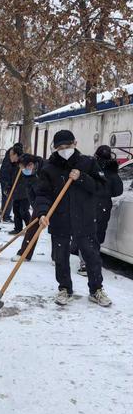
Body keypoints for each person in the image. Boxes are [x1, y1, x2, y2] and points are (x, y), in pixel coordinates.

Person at [36, 130, 111, 307]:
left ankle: (96, 290)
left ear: (75, 143)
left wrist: (82, 178)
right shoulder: (49, 168)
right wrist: (42, 213)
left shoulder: (88, 163)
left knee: (91, 256)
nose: (64, 150)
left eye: (67, 146)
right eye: (59, 147)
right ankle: (64, 288)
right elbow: (42, 194)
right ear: (54, 148)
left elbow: (102, 188)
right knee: (61, 257)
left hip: (84, 219)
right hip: (60, 220)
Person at [74, 145, 124, 276]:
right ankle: (92, 262)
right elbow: (118, 191)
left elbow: (80, 184)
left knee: (85, 234)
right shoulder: (111, 173)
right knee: (97, 236)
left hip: (88, 205)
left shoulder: (89, 167)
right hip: (103, 207)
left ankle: (85, 263)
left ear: (96, 155)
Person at [11, 153, 44, 261]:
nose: (22, 170)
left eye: (23, 168)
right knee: (32, 227)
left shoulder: (46, 169)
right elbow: (30, 192)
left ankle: (58, 258)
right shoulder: (27, 174)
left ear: (30, 165)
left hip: (54, 201)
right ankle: (24, 254)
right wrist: (37, 208)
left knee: (58, 231)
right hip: (39, 203)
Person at [0, 142, 23, 222]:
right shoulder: (12, 157)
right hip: (7, 179)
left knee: (5, 197)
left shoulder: (9, 153)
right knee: (9, 197)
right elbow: (11, 170)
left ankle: (3, 213)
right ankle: (6, 216)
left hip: (4, 178)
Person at [9, 155, 31, 235]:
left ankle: (30, 228)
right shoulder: (14, 166)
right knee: (16, 211)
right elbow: (12, 179)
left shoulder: (26, 166)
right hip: (16, 193)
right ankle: (18, 228)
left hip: (25, 194)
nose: (10, 157)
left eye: (12, 155)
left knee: (23, 211)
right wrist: (9, 187)